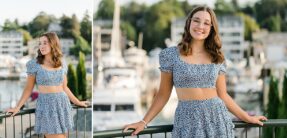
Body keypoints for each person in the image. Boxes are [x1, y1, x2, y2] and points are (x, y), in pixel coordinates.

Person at [123, 6, 267, 137]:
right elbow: (163, 94)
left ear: (211, 28)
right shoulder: (170, 55)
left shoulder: (217, 57)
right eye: (196, 21)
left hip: (217, 119)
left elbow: (223, 95)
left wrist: (247, 117)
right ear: (189, 23)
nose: (200, 26)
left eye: (206, 23)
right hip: (187, 121)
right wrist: (143, 122)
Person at [6, 32, 88, 138]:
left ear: (53, 44)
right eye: (40, 43)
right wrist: (18, 107)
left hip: (62, 104)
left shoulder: (62, 62)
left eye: (45, 43)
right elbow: (28, 89)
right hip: (46, 106)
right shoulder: (34, 64)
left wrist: (77, 102)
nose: (41, 46)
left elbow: (64, 87)